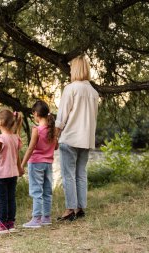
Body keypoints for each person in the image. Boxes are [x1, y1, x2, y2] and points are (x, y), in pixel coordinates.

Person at [55, 55, 99, 221]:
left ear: (75, 69)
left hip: (71, 137)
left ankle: (70, 209)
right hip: (86, 139)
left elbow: (62, 116)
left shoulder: (71, 88)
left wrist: (55, 136)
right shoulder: (94, 92)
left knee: (68, 175)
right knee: (81, 173)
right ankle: (80, 208)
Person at [0, 109, 24, 234]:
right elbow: (17, 156)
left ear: (0, 123)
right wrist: (20, 168)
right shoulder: (15, 138)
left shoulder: (0, 139)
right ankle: (10, 223)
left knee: (3, 199)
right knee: (11, 198)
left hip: (1, 175)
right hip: (13, 174)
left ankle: (1, 224)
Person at [20, 100, 57, 228]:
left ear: (35, 114)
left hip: (36, 163)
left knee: (36, 191)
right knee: (47, 191)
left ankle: (36, 219)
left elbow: (30, 149)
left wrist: (22, 164)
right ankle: (46, 217)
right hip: (48, 164)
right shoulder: (53, 129)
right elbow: (56, 146)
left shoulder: (37, 129)